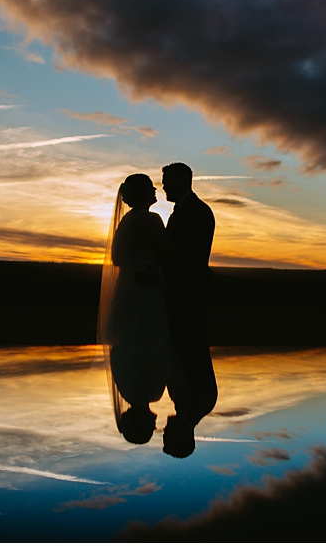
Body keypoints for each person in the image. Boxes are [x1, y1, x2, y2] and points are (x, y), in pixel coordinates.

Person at [98, 173, 173, 444]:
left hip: (129, 289)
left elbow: (118, 258)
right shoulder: (149, 220)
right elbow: (169, 255)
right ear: (142, 193)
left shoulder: (127, 222)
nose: (156, 191)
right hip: (145, 291)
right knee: (147, 340)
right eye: (151, 188)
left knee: (133, 339)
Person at [160, 162, 218, 458]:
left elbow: (186, 259)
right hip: (185, 299)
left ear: (182, 180)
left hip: (188, 299)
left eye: (167, 181)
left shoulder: (196, 211)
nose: (163, 186)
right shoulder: (199, 404)